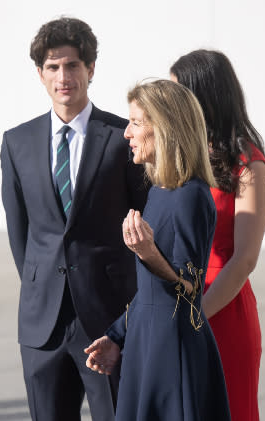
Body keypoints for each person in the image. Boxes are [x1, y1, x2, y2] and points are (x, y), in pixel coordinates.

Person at [0, 17, 149, 421]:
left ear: (90, 69)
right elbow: (21, 232)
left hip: (107, 316)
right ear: (40, 73)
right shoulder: (17, 142)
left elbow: (145, 221)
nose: (63, 76)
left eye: (72, 65)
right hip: (41, 322)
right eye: (52, 67)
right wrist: (40, 283)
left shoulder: (123, 137)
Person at [84, 79, 231, 421]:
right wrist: (117, 335)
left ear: (163, 128)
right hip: (146, 342)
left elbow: (189, 289)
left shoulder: (190, 196)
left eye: (136, 122)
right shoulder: (159, 192)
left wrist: (148, 253)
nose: (126, 133)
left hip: (172, 349)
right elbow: (150, 292)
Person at [170, 49, 265, 421]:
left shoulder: (247, 163)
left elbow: (245, 258)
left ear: (205, 97)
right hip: (179, 307)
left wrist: (196, 314)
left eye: (179, 94)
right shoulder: (182, 155)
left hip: (223, 309)